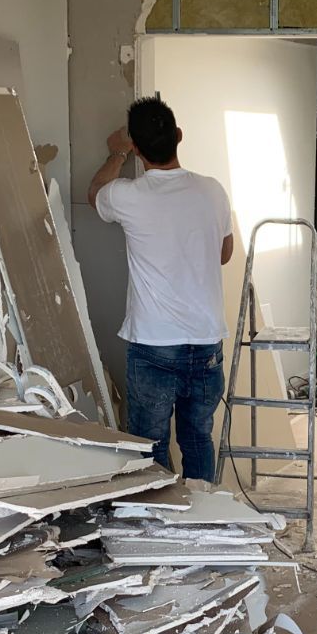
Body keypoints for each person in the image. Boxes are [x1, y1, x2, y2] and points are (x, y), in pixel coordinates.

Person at [89, 96, 234, 479]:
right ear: (179, 136)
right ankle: (201, 511)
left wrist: (117, 154)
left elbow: (94, 193)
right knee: (198, 438)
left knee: (150, 446)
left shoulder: (127, 195)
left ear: (137, 149)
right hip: (205, 342)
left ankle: (161, 514)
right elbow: (224, 253)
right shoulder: (213, 191)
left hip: (154, 345)